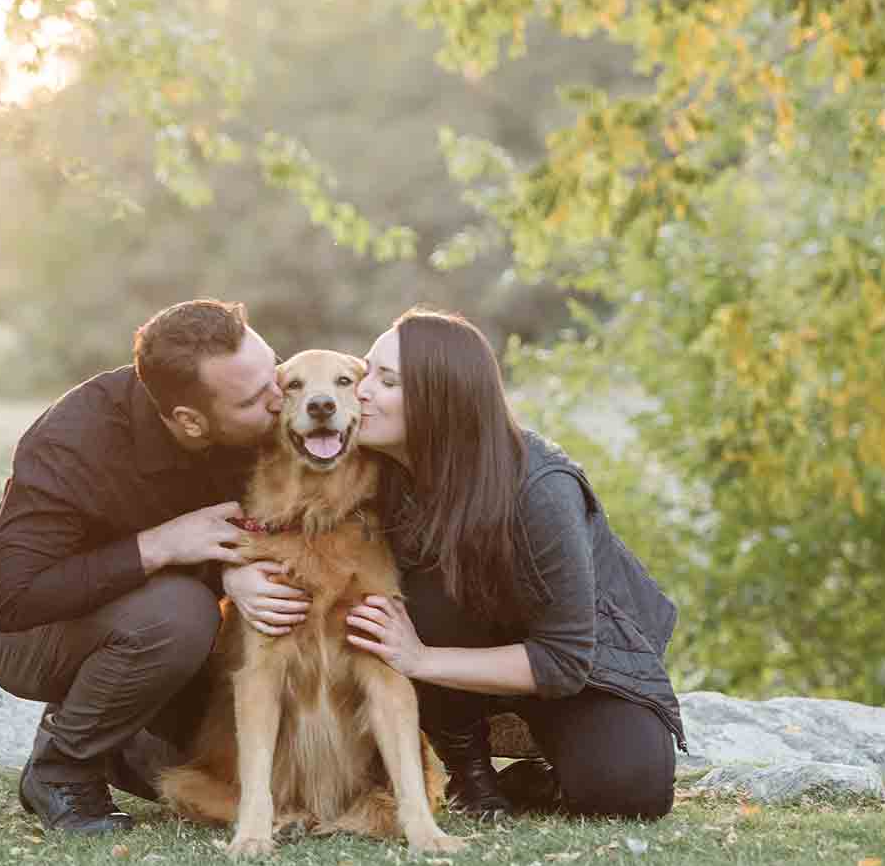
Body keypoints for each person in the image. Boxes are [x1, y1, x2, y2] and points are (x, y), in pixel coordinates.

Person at [240, 308, 685, 820]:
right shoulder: (366, 462)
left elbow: (565, 659)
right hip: (458, 644)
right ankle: (469, 772)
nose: (357, 392)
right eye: (365, 370)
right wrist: (237, 573)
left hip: (573, 666)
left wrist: (419, 660)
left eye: (383, 382)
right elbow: (268, 509)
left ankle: (539, 776)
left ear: (436, 401)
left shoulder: (541, 490)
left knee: (630, 790)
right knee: (407, 596)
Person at [0, 299, 300, 835]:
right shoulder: (74, 440)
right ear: (191, 421)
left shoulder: (261, 416)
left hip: (158, 618)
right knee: (178, 615)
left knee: (213, 771)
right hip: (27, 629)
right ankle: (60, 771)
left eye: (275, 373)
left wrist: (229, 567)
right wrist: (160, 545)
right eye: (258, 399)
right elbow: (14, 597)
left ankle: (119, 745)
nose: (282, 400)